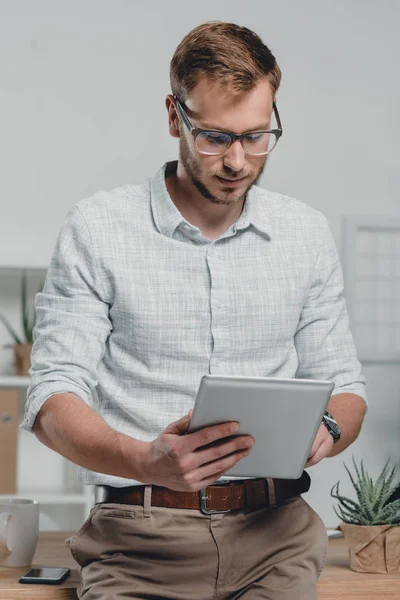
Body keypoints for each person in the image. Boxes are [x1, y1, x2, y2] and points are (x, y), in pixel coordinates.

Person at [22, 21, 367, 600]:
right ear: (172, 115)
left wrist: (327, 428)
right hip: (137, 543)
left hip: (277, 540)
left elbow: (348, 391)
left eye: (257, 136)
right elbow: (50, 397)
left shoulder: (304, 233)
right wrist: (144, 459)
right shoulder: (98, 227)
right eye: (214, 136)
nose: (237, 160)